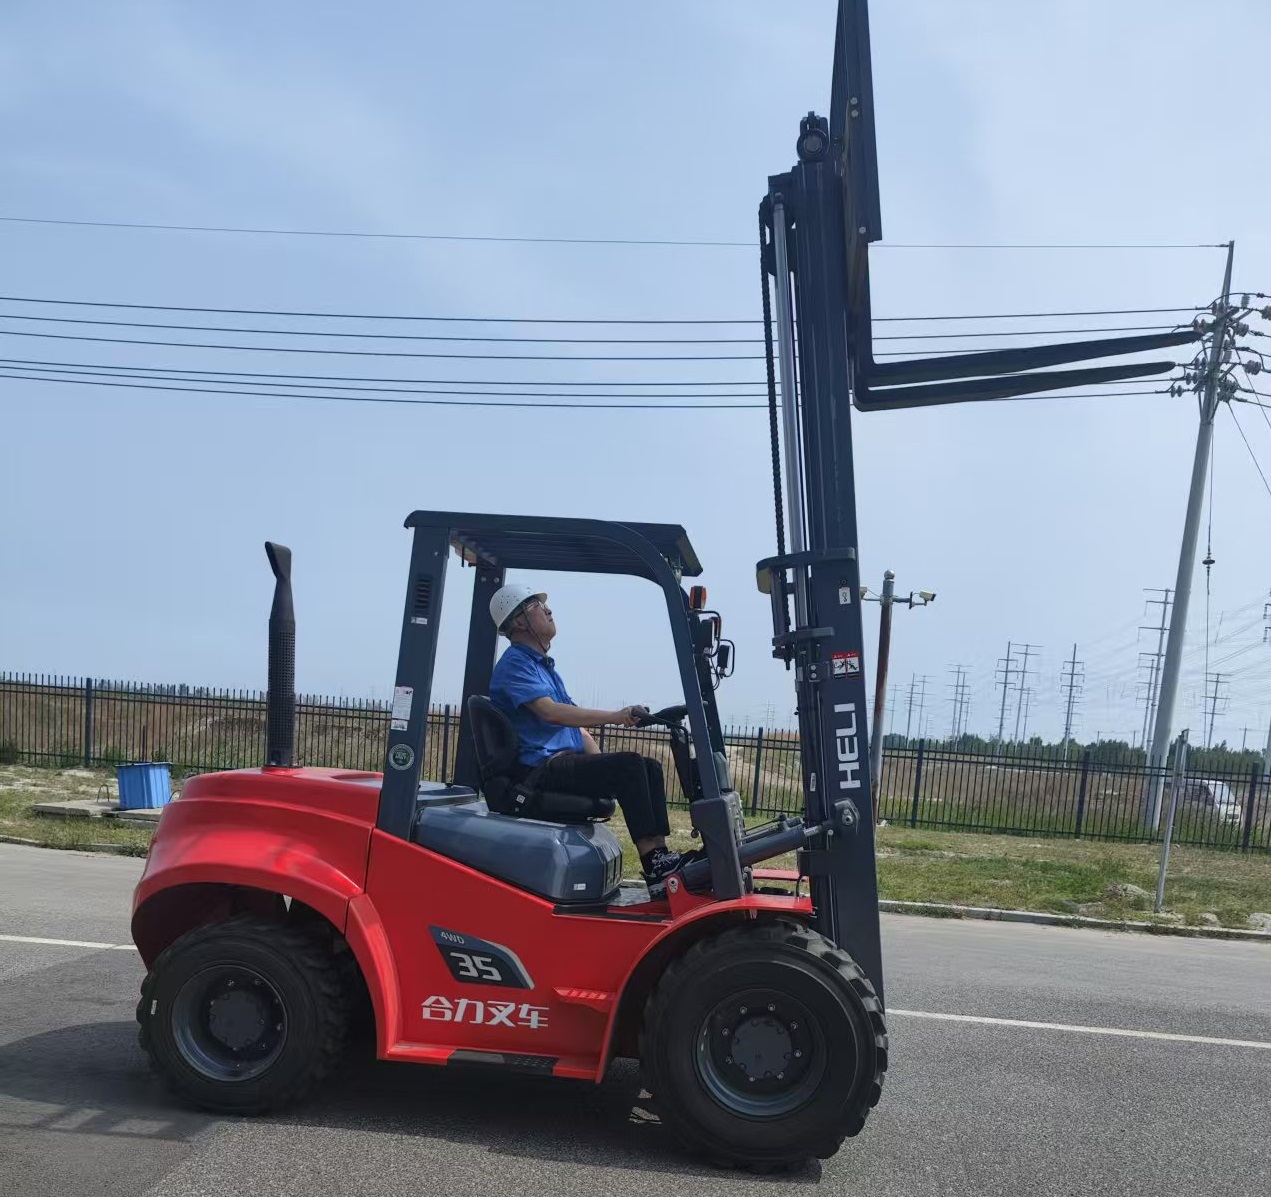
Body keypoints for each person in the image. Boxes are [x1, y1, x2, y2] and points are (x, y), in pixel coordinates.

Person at [487, 582, 684, 889]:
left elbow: (576, 729)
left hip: (563, 763)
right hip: (540, 770)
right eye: (537, 606)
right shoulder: (515, 665)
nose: (548, 610)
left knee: (647, 767)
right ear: (519, 622)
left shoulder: (545, 668)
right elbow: (551, 712)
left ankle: (660, 857)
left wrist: (604, 767)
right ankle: (654, 862)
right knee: (629, 764)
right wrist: (617, 717)